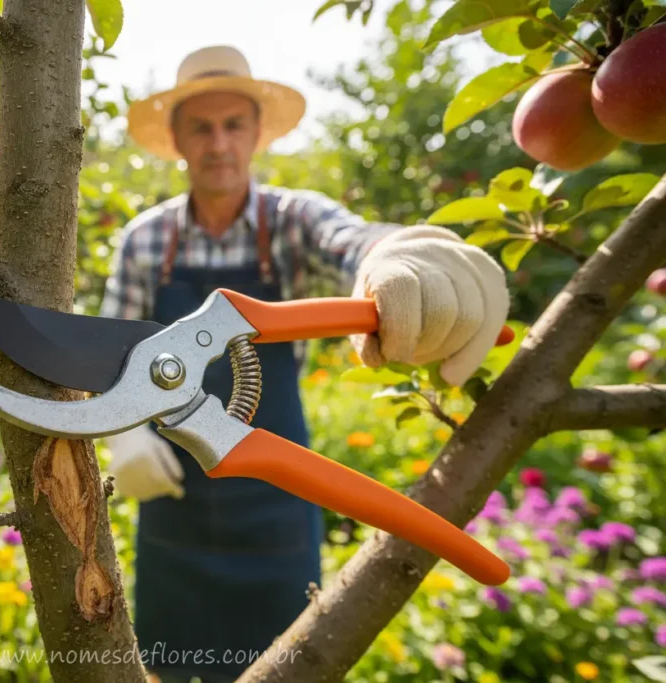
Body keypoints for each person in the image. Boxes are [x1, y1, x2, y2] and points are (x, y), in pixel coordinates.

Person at [99, 45, 510, 683]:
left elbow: (349, 238)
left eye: (233, 124)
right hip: (173, 509)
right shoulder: (146, 241)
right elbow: (116, 354)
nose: (218, 143)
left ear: (256, 134)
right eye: (200, 127)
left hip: (277, 508)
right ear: (177, 139)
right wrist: (124, 432)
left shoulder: (291, 222)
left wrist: (399, 257)